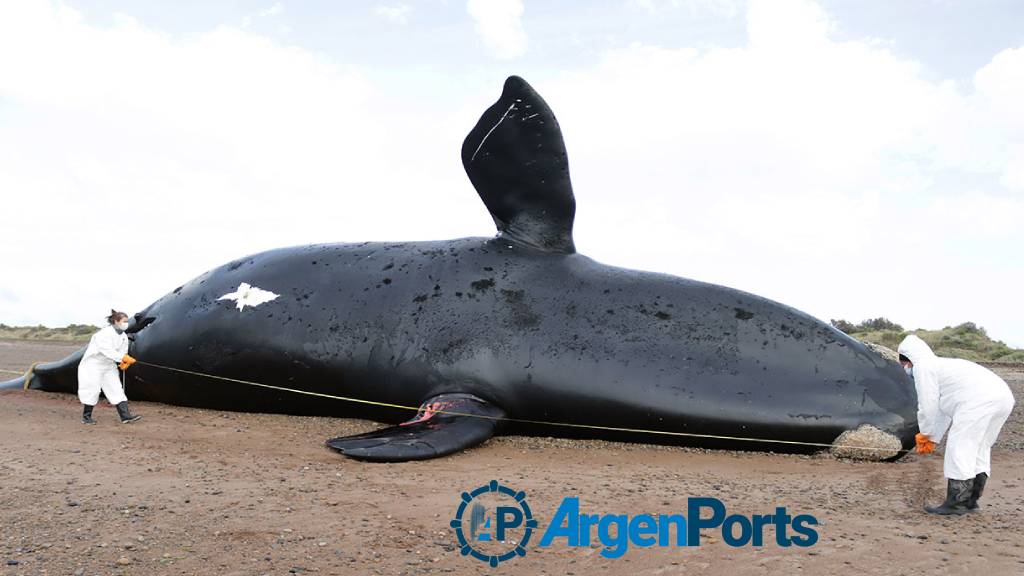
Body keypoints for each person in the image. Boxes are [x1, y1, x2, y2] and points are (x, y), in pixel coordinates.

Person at [898, 334, 1015, 515]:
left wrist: (925, 435)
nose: (905, 369)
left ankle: (956, 504)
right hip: (1003, 397)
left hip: (979, 400)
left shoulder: (924, 367)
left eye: (904, 364)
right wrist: (933, 438)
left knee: (960, 447)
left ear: (909, 360)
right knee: (980, 448)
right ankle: (971, 501)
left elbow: (928, 405)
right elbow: (942, 411)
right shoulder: (943, 365)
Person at [77, 309, 141, 424]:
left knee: (116, 388)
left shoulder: (124, 337)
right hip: (93, 365)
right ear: (116, 321)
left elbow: (123, 351)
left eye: (127, 321)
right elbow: (107, 350)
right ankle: (86, 417)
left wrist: (123, 362)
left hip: (109, 365)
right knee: (92, 389)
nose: (126, 324)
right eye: (124, 321)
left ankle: (125, 416)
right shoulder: (103, 334)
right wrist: (122, 358)